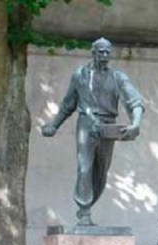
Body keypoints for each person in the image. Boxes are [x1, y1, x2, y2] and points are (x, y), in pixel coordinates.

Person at [41, 37, 144, 227]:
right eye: (101, 51)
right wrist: (54, 125)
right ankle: (84, 212)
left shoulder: (118, 77)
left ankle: (87, 206)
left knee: (101, 172)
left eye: (108, 52)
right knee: (84, 167)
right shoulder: (80, 75)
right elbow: (68, 104)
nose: (105, 55)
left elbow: (134, 101)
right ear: (93, 52)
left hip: (108, 126)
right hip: (87, 125)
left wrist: (136, 123)